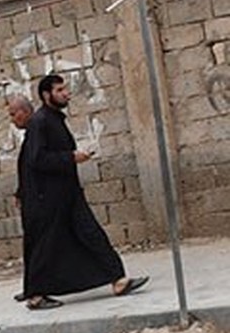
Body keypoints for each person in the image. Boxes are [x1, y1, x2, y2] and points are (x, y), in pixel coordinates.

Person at [20, 73, 149, 310]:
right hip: (50, 198)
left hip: (68, 194)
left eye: (65, 89)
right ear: (47, 95)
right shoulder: (40, 122)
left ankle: (118, 280)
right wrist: (71, 157)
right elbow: (37, 159)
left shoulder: (54, 119)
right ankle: (36, 296)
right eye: (60, 90)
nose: (66, 93)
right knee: (46, 245)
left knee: (91, 234)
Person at [6, 95, 35, 303]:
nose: (12, 119)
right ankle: (33, 288)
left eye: (13, 114)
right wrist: (20, 192)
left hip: (40, 201)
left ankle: (35, 291)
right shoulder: (31, 134)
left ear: (24, 112)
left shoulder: (37, 132)